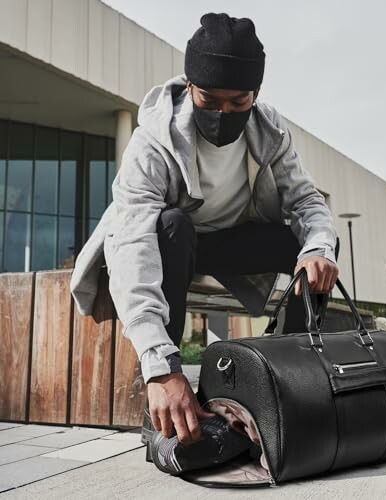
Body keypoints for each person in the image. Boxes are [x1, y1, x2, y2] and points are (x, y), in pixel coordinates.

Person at [70, 12, 339, 473]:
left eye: (238, 102)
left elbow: (307, 201)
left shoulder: (271, 132)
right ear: (190, 84)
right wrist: (160, 368)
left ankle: (286, 388)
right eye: (209, 99)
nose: (223, 113)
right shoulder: (152, 141)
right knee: (173, 224)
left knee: (309, 248)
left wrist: (319, 248)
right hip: (170, 243)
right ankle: (167, 401)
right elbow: (133, 244)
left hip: (231, 243)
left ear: (256, 95)